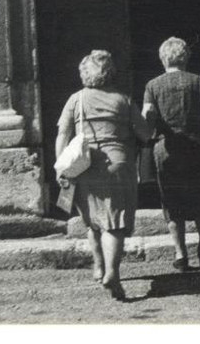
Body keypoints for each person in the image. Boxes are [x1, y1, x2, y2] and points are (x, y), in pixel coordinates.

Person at [56, 49, 153, 302]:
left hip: (85, 165)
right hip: (118, 164)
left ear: (84, 74)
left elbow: (62, 135)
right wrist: (148, 118)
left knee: (94, 221)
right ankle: (113, 273)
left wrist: (61, 166)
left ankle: (98, 267)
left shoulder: (75, 100)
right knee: (115, 223)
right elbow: (145, 134)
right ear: (110, 72)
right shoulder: (122, 99)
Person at [141, 36, 200, 273]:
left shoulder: (152, 85)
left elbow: (148, 114)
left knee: (172, 200)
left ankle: (180, 253)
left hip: (167, 150)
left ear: (163, 59)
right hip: (199, 147)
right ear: (186, 57)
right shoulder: (198, 81)